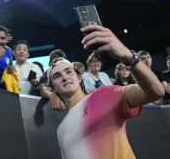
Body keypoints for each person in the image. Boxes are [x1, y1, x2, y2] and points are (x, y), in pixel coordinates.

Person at [48, 24, 164, 159]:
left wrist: (128, 57)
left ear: (79, 77)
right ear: (52, 87)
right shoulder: (61, 129)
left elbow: (156, 91)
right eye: (57, 76)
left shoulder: (104, 94)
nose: (65, 77)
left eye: (68, 71)